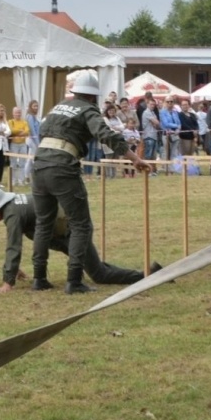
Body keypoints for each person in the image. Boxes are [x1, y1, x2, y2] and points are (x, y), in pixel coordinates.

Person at [29, 69, 152, 294]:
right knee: (80, 224)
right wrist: (135, 158)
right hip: (62, 168)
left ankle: (39, 278)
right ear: (93, 96)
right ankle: (74, 280)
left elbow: (43, 131)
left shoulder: (57, 107)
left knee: (43, 223)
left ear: (75, 91)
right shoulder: (88, 109)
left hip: (38, 165)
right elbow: (105, 134)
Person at [0, 184, 156, 293]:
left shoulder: (13, 214)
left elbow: (13, 246)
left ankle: (148, 275)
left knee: (99, 274)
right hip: (63, 231)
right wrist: (13, 269)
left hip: (74, 229)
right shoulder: (14, 206)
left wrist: (7, 282)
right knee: (95, 267)